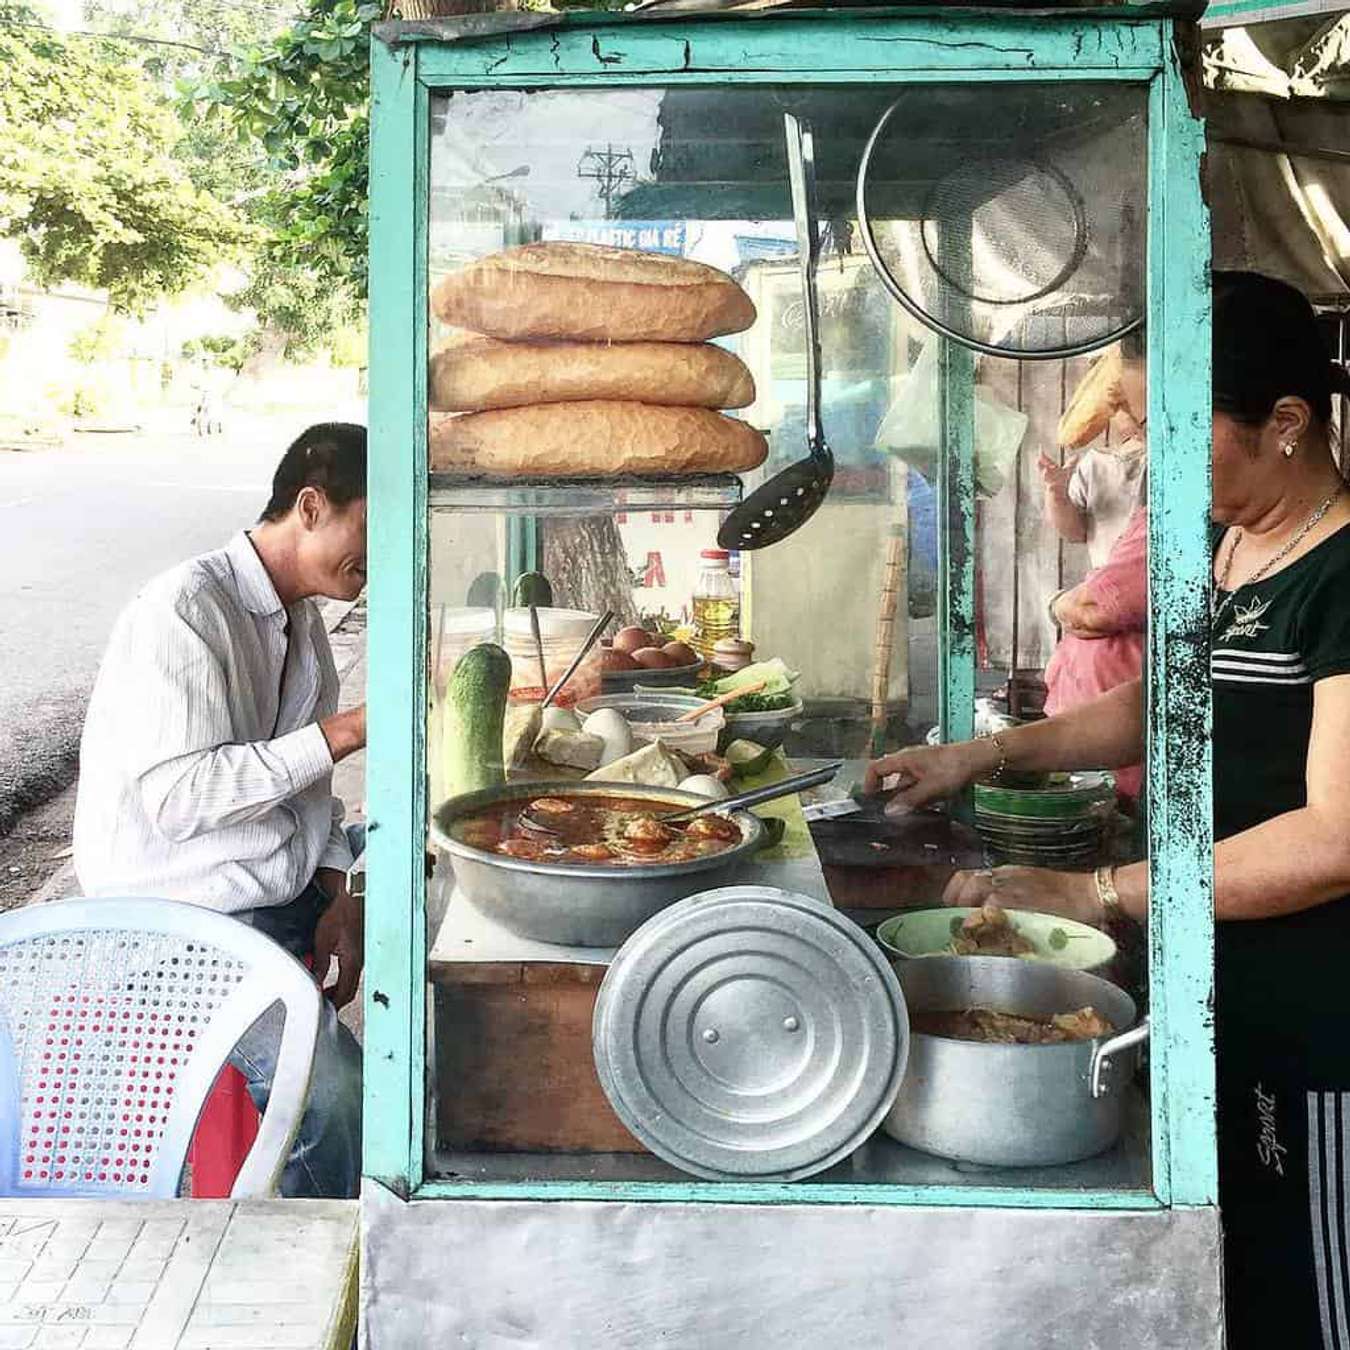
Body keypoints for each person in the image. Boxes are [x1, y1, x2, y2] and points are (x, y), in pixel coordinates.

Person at [865, 272, 1350, 1350]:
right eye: (1139, 419)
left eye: (1171, 419)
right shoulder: (1231, 546)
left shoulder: (1342, 576)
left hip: (1320, 1023)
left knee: (1316, 1291)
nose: (1144, 447)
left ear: (1284, 423)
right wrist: (980, 755)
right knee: (1242, 1280)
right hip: (1223, 981)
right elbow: (1168, 702)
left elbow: (1335, 838)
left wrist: (1098, 890)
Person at [73, 422, 369, 1199]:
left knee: (413, 878)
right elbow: (181, 797)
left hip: (271, 893)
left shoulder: (300, 621)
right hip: (176, 926)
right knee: (336, 1096)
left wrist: (340, 889)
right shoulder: (182, 611)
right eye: (369, 530)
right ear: (310, 506)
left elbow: (308, 794)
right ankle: (309, 1281)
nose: (379, 560)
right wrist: (343, 733)